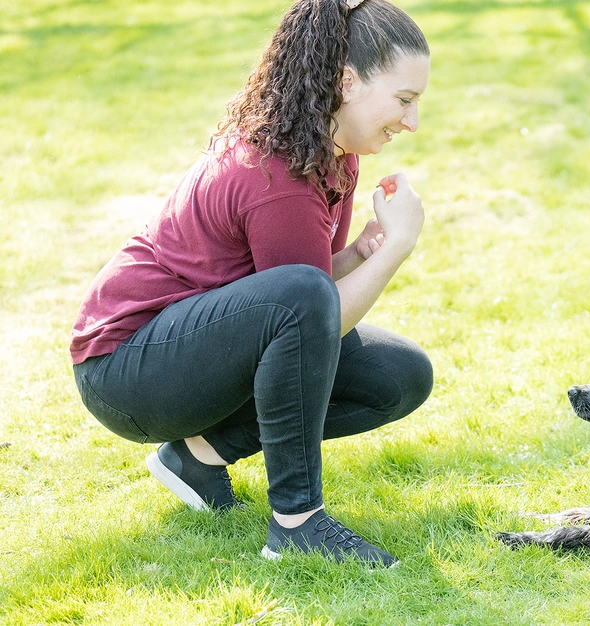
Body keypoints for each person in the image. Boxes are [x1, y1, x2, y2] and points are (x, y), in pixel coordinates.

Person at [69, 0, 432, 567]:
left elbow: (299, 294)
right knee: (307, 302)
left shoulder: (331, 151)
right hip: (126, 372)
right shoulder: (279, 171)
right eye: (404, 100)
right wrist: (396, 251)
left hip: (190, 348)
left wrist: (361, 252)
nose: (411, 122)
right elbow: (312, 307)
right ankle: (297, 522)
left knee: (400, 376)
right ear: (346, 82)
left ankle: (199, 457)